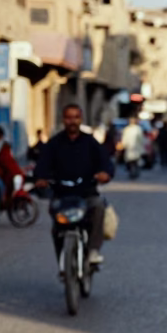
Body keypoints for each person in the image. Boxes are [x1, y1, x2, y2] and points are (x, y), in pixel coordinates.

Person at [33, 104, 113, 265]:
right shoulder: (54, 143)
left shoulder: (90, 142)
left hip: (86, 193)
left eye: (76, 117)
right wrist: (40, 178)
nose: (72, 121)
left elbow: (105, 161)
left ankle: (93, 250)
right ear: (64, 120)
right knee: (56, 227)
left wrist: (105, 173)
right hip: (62, 195)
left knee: (98, 207)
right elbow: (42, 164)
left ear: (80, 119)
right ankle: (63, 262)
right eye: (69, 117)